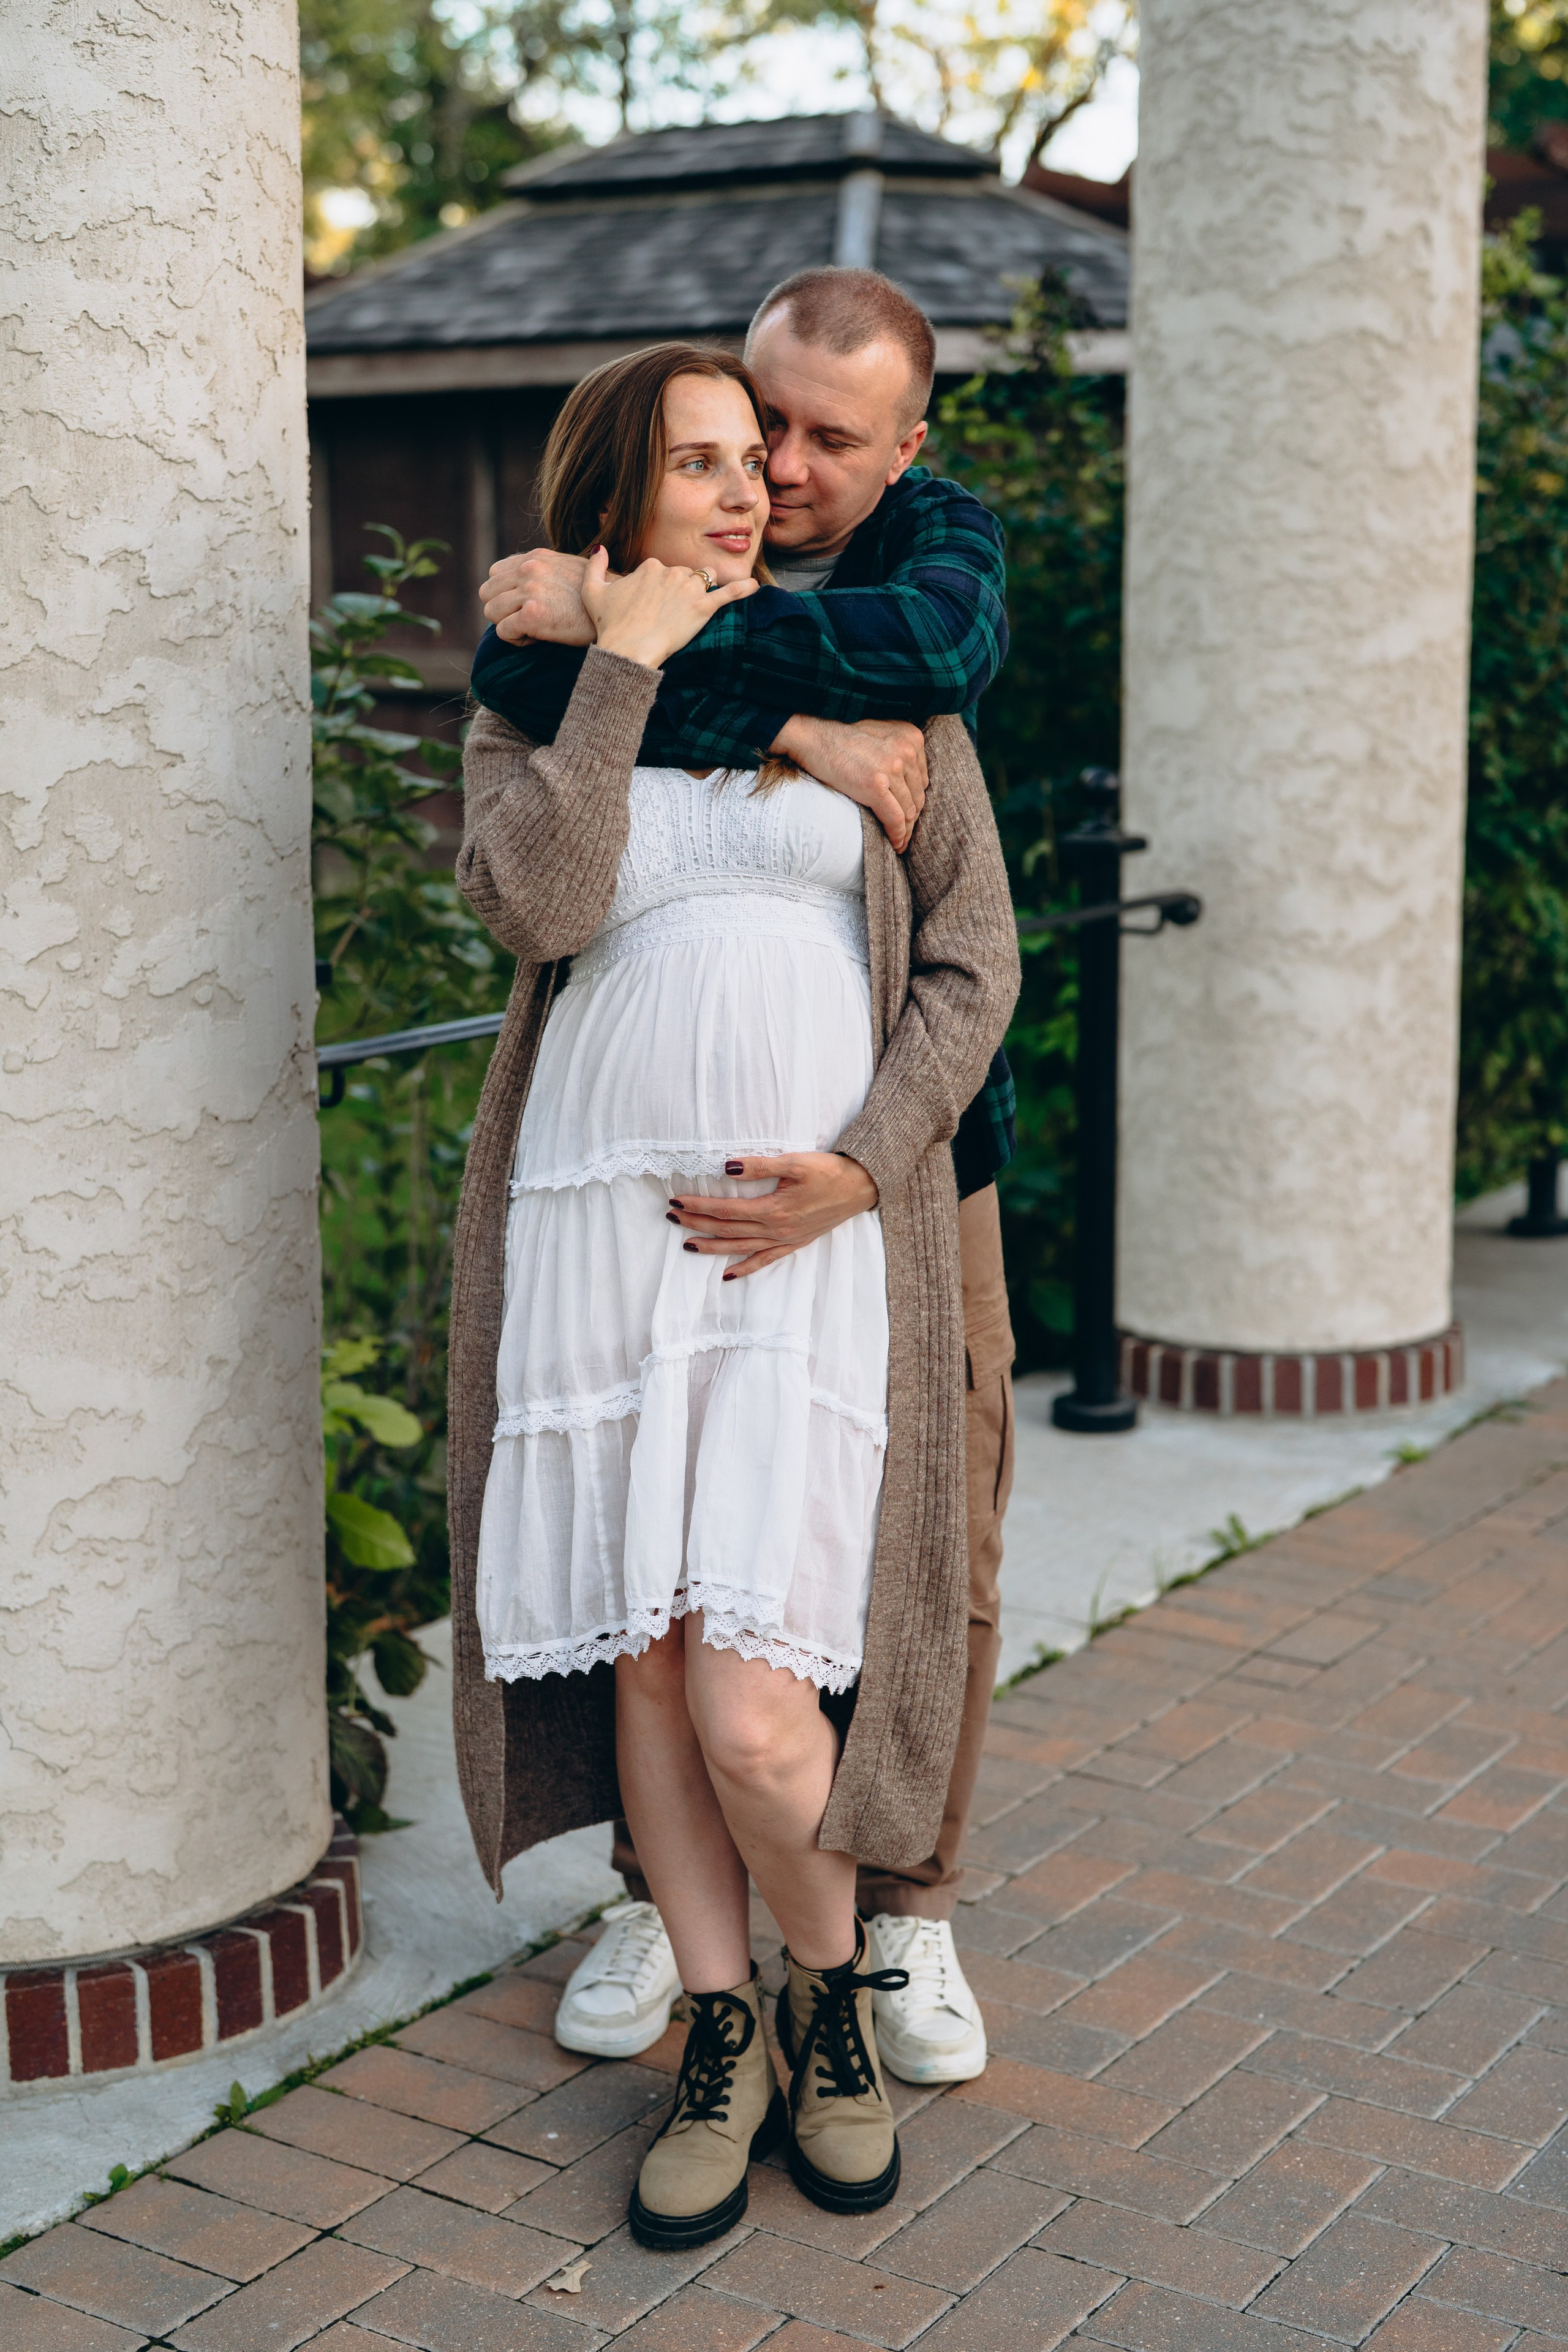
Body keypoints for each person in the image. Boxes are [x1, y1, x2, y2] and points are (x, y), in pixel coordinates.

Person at [448, 340, 1019, 2248]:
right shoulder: (539, 690)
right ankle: (725, 2027)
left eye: (751, 458)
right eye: (699, 461)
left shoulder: (878, 667)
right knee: (647, 1662)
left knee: (762, 1710)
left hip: (810, 1242)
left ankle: (834, 1988)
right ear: (614, 498)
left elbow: (974, 966)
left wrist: (865, 1168)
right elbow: (537, 901)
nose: (748, 485)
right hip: (602, 1235)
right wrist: (627, 663)